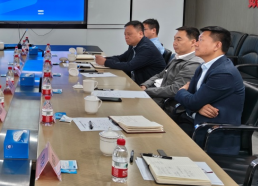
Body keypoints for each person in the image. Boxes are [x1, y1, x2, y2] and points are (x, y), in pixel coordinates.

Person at [174, 26, 245, 155]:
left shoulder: (224, 73)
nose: (196, 44)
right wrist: (197, 107)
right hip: (196, 123)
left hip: (212, 135)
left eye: (201, 40)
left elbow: (192, 100)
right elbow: (193, 100)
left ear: (217, 45)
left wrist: (181, 91)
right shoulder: (203, 66)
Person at [140, 27, 203, 108]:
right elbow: (161, 74)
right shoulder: (177, 56)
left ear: (193, 42)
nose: (174, 43)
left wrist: (146, 91)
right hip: (158, 96)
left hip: (169, 105)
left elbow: (175, 90)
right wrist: (145, 85)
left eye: (179, 40)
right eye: (174, 39)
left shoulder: (193, 64)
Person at [95, 20, 165, 84]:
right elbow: (121, 58)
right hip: (134, 81)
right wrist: (104, 59)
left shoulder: (147, 48)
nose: (126, 37)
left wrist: (105, 62)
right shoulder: (134, 45)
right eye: (125, 34)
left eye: (129, 34)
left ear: (140, 34)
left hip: (148, 86)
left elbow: (130, 66)